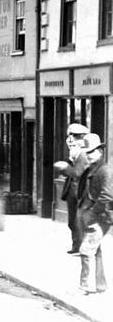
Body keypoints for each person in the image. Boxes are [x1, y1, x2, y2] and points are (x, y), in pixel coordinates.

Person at [76, 133, 113, 295]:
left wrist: (92, 212)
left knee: (86, 250)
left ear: (100, 151)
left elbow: (107, 196)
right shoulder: (92, 169)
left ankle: (86, 286)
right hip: (91, 216)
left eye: (92, 152)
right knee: (95, 251)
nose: (89, 155)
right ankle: (100, 285)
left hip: (100, 217)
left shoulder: (105, 171)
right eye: (87, 152)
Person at [53, 123, 89, 254]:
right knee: (72, 221)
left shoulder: (84, 155)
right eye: (70, 139)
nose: (70, 142)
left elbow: (78, 173)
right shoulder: (74, 155)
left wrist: (65, 167)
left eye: (74, 139)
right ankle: (76, 246)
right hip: (71, 191)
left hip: (82, 192)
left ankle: (81, 247)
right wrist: (68, 163)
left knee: (79, 221)